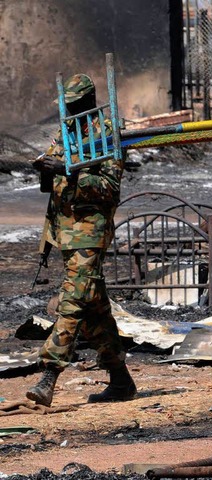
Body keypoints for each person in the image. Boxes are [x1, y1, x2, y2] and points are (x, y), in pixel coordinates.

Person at [26, 73, 136, 407]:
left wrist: (69, 170)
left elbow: (110, 188)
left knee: (72, 301)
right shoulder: (65, 133)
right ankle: (120, 380)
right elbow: (51, 181)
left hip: (90, 230)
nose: (69, 110)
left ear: (88, 101)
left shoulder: (105, 134)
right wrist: (48, 169)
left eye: (74, 104)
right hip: (66, 232)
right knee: (93, 308)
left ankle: (49, 374)